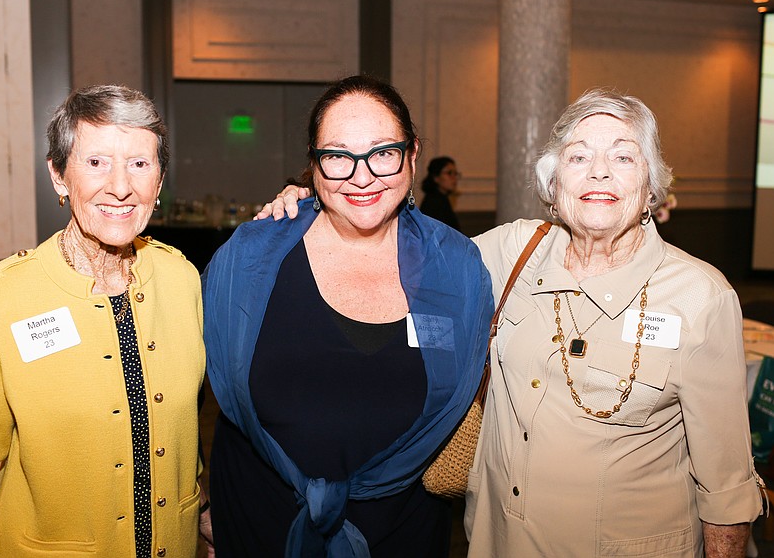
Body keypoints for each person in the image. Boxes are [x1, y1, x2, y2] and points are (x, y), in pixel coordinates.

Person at [260, 88, 764, 557]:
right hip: (500, 540)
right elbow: (401, 251)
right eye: (579, 156)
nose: (599, 173)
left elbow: (726, 489)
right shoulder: (512, 251)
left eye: (623, 156)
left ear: (652, 183)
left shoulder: (700, 298)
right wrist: (315, 202)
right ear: (553, 181)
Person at [201, 75, 494, 557]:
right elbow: (175, 383)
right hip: (260, 524)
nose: (361, 177)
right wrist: (201, 506)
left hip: (404, 532)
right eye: (337, 156)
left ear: (412, 154)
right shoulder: (251, 258)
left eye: (382, 153)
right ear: (313, 166)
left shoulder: (457, 267)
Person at [0, 85, 207, 558]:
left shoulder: (182, 280)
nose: (121, 187)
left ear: (159, 182)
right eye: (96, 162)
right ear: (59, 176)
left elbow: (186, 437)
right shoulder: (4, 298)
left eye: (140, 164)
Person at [420, 156, 461, 231]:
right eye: (449, 173)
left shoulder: (442, 199)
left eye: (455, 173)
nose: (454, 178)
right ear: (436, 177)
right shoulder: (433, 202)